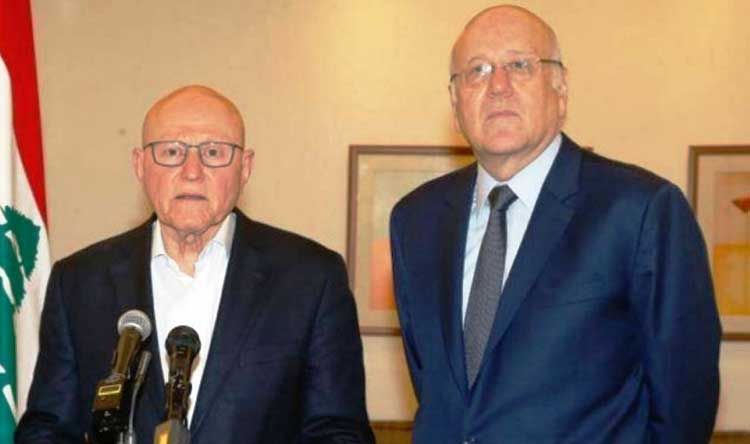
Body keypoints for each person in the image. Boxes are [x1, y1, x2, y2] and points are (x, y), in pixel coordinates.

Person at [389, 5, 721, 443]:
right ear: (455, 104)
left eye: (520, 65)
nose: (498, 86)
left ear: (560, 89)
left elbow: (684, 407)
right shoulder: (415, 220)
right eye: (477, 70)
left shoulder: (640, 210)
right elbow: (435, 387)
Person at [16, 85, 374, 443]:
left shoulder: (311, 279)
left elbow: (340, 432)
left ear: (245, 167)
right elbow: (46, 430)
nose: (192, 171)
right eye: (171, 152)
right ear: (140, 165)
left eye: (214, 152)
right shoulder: (79, 281)